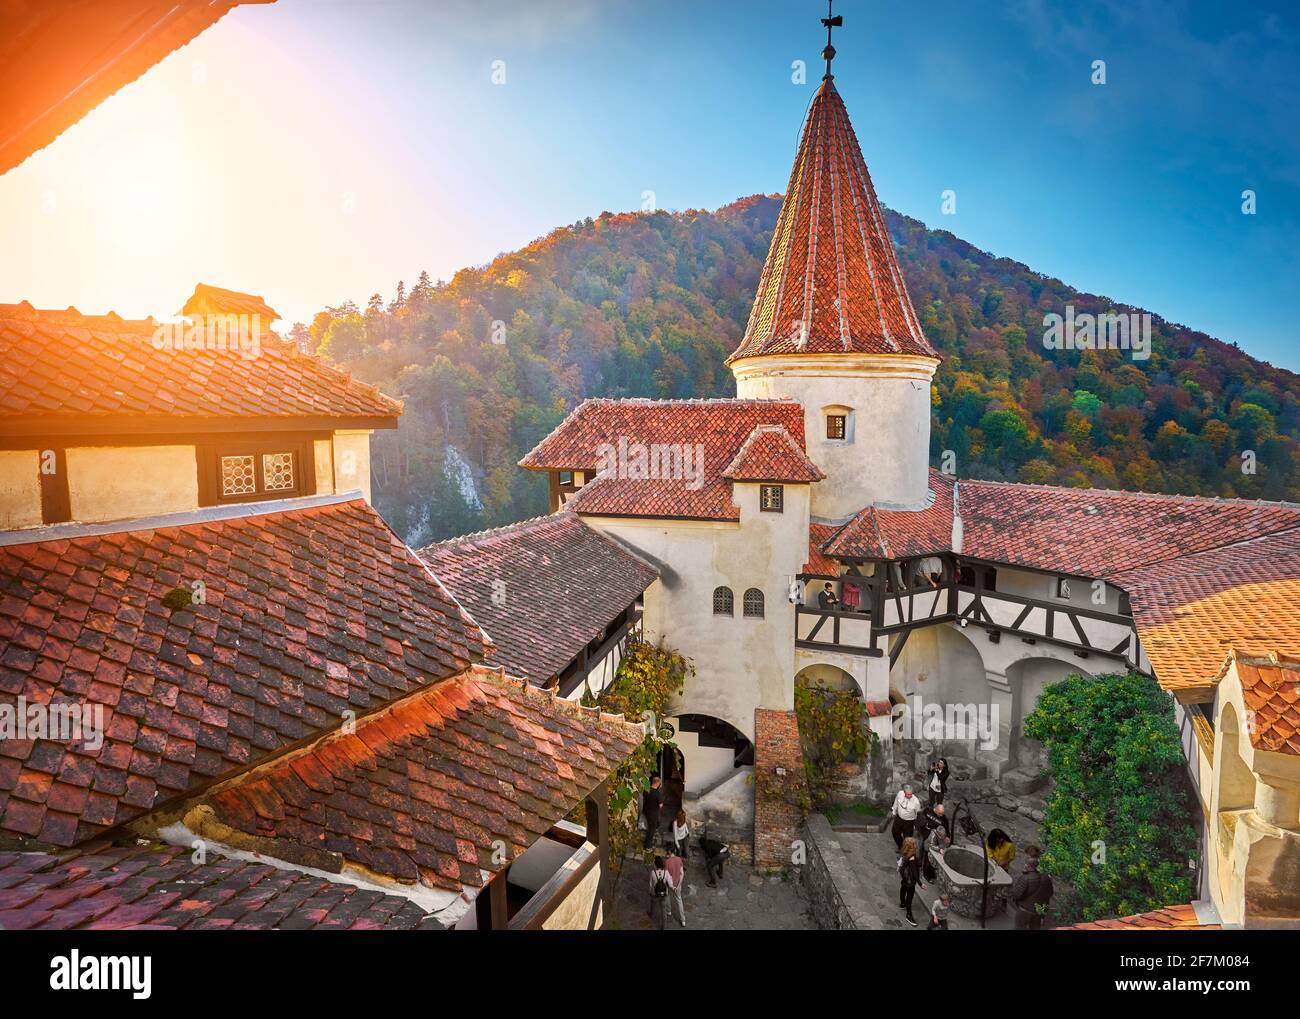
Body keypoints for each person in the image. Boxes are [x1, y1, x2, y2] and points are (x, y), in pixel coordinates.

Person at [1010, 846, 1054, 929]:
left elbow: (1016, 894)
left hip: (1025, 909)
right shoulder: (1046, 876)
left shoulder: (1026, 878)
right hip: (1038, 910)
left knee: (1020, 927)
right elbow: (1050, 893)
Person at [889, 783, 923, 850]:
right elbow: (896, 802)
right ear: (904, 792)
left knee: (907, 839)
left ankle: (905, 853)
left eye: (911, 794)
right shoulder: (900, 794)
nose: (910, 796)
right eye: (908, 794)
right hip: (899, 818)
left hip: (909, 822)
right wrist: (893, 811)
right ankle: (901, 846)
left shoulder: (916, 802)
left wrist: (915, 825)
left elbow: (918, 814)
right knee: (895, 833)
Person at [897, 837, 921, 927]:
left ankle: (902, 903)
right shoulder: (912, 857)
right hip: (910, 880)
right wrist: (920, 883)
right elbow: (914, 872)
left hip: (905, 878)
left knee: (903, 887)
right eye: (915, 844)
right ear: (913, 846)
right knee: (909, 897)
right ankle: (909, 915)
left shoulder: (905, 853)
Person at [663, 846, 687, 927]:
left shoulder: (667, 862)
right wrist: (679, 884)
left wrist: (672, 886)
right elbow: (682, 873)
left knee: (667, 895)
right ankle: (683, 920)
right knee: (679, 900)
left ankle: (669, 911)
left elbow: (666, 875)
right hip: (678, 884)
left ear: (669, 852)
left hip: (670, 884)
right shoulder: (679, 859)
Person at [647, 855, 673, 927]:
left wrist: (650, 892)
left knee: (653, 904)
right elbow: (670, 884)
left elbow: (650, 884)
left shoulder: (653, 873)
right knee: (663, 910)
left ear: (655, 864)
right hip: (664, 893)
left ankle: (651, 914)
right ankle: (664, 926)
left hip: (655, 893)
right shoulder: (666, 872)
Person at [641, 775, 662, 849]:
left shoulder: (646, 789)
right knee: (651, 830)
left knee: (656, 824)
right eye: (660, 784)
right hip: (653, 814)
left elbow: (644, 797)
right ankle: (647, 846)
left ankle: (656, 826)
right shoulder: (658, 794)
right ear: (658, 784)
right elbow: (660, 806)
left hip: (646, 810)